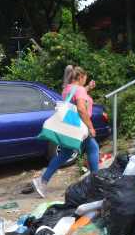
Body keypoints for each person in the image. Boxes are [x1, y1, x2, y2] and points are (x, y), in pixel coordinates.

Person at [32, 66, 99, 197]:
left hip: (69, 127)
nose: (85, 81)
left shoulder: (67, 89)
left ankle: (42, 180)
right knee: (93, 149)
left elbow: (76, 95)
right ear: (80, 77)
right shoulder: (79, 89)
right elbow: (80, 108)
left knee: (65, 154)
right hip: (79, 126)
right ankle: (96, 182)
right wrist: (90, 126)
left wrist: (88, 88)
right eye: (85, 79)